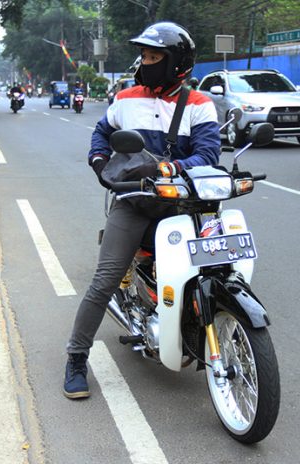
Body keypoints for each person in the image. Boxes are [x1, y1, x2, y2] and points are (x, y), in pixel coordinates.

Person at [63, 21, 221, 399]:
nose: (144, 63)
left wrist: (171, 168)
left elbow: (208, 154)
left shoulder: (199, 105)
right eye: (144, 56)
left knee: (209, 270)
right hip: (134, 201)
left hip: (182, 204)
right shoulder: (126, 98)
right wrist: (99, 161)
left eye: (153, 57)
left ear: (175, 63)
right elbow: (102, 133)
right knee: (104, 280)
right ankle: (76, 357)